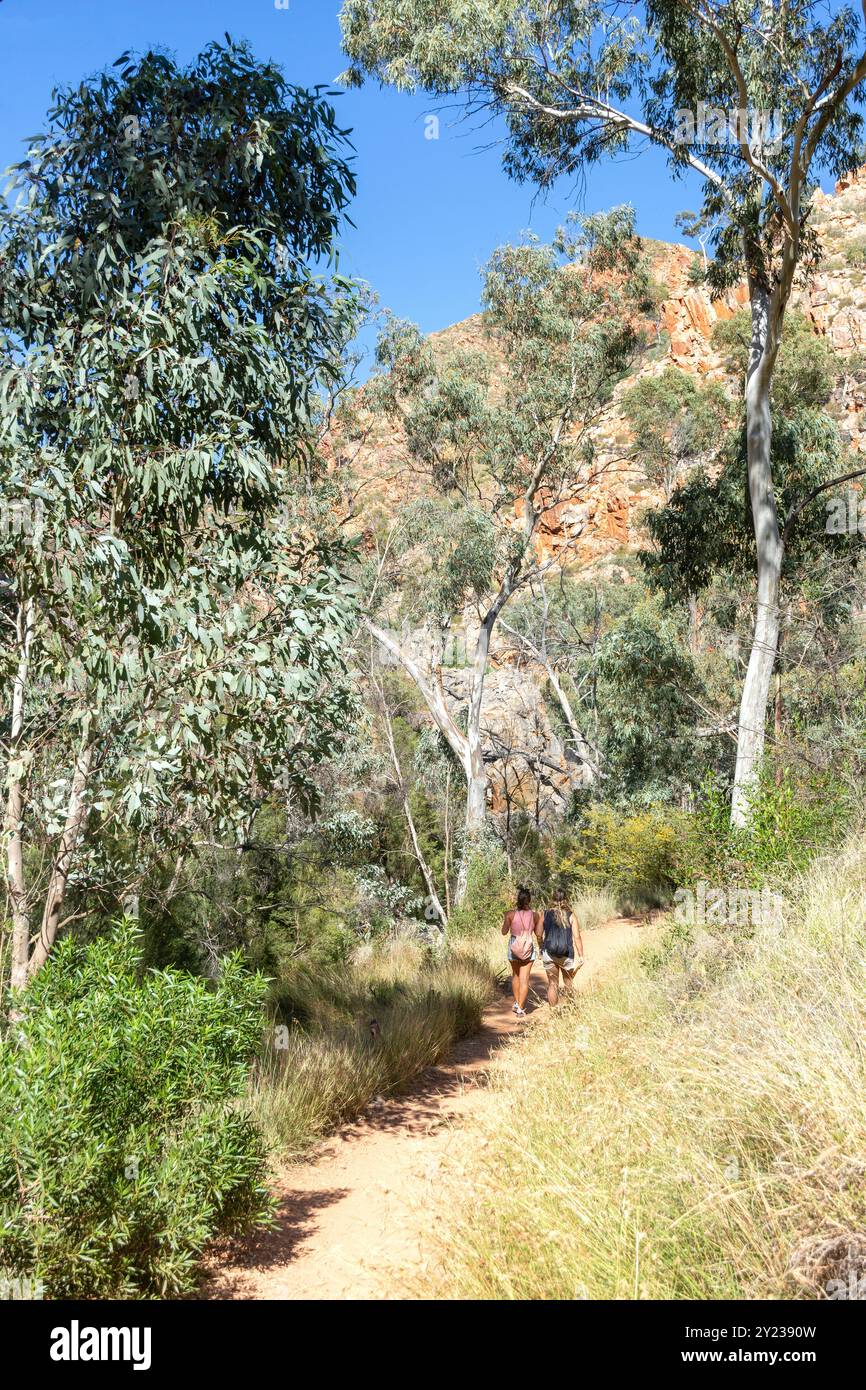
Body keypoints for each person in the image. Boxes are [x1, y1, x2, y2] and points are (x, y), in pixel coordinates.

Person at [501, 887, 542, 1018]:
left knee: (515, 976)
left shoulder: (510, 914)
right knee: (525, 979)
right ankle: (520, 1007)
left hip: (514, 947)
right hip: (528, 947)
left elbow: (504, 932)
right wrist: (541, 947)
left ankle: (517, 1003)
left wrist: (507, 920)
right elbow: (538, 934)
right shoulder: (535, 916)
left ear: (518, 900)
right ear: (529, 900)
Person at [541, 887, 584, 1006]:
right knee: (568, 983)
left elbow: (539, 934)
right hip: (567, 954)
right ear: (566, 898)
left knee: (552, 984)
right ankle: (571, 1010)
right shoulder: (571, 915)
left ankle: (553, 1011)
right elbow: (577, 937)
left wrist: (541, 947)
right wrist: (581, 955)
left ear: (553, 898)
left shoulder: (544, 914)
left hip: (549, 953)